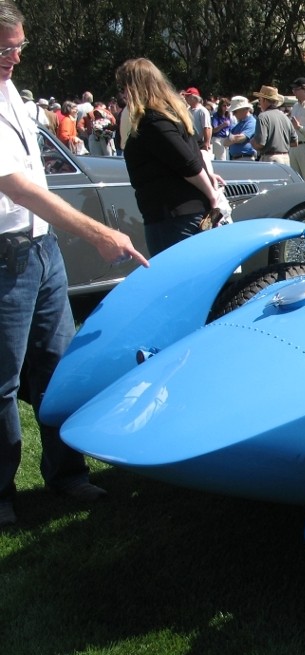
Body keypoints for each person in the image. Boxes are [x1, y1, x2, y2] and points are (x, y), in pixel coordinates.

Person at [1, 0, 149, 526]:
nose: (14, 57)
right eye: (6, 47)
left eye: (18, 46)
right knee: (3, 383)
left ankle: (66, 474)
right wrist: (98, 231)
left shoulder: (13, 93)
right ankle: (2, 495)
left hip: (41, 252)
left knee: (59, 369)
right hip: (6, 259)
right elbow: (14, 185)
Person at [116, 58, 222, 255]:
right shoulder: (169, 115)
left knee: (180, 281)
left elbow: (188, 163)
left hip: (174, 218)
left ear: (135, 87)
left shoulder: (153, 121)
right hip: (177, 215)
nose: (122, 94)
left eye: (124, 87)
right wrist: (208, 178)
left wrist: (212, 196)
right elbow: (193, 152)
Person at [251, 85, 296, 163]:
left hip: (270, 158)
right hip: (286, 159)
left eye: (260, 100)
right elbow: (294, 142)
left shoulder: (263, 117)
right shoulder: (285, 117)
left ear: (264, 100)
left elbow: (260, 143)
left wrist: (252, 141)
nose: (259, 103)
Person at [226, 96, 257, 160]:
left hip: (246, 158)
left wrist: (232, 139)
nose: (233, 114)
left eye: (235, 111)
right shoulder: (238, 124)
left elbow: (241, 138)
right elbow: (225, 142)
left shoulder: (252, 122)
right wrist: (234, 139)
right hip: (237, 159)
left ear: (244, 109)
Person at [183, 87, 211, 152]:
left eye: (188, 96)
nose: (185, 98)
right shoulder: (187, 110)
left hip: (199, 143)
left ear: (195, 98)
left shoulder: (202, 111)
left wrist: (206, 142)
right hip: (190, 141)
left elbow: (207, 127)